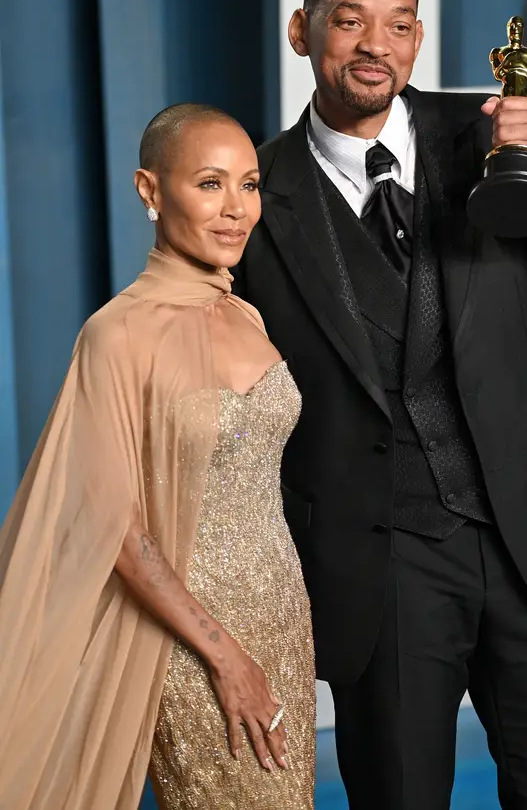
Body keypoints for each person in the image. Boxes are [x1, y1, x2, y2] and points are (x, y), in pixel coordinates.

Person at [231, 0, 527, 810]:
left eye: (400, 25)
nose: (375, 44)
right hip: (380, 567)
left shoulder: (490, 135)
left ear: (418, 41)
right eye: (350, 21)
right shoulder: (254, 195)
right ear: (303, 30)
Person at [0, 105, 315, 810]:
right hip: (192, 645)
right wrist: (225, 656)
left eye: (249, 184)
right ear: (149, 190)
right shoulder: (115, 336)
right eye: (210, 184)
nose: (236, 210)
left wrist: (261, 646)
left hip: (283, 620)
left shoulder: (245, 313)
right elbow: (114, 524)